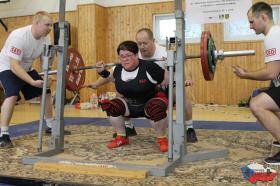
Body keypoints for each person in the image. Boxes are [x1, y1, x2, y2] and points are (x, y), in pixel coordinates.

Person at [0, 11, 70, 148]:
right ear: (36, 23)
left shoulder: (46, 39)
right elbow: (14, 66)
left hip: (26, 68)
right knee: (12, 95)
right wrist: (32, 82)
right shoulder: (19, 36)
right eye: (47, 25)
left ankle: (50, 126)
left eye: (51, 25)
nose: (50, 28)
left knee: (46, 91)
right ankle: (3, 134)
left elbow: (45, 61)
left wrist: (47, 75)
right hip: (7, 67)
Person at [97, 40, 170, 152]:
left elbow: (166, 80)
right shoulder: (118, 69)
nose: (124, 59)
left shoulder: (149, 67)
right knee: (110, 106)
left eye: (128, 56)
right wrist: (102, 72)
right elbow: (113, 79)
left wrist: (170, 65)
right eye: (121, 56)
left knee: (157, 107)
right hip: (129, 105)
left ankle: (162, 139)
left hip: (149, 103)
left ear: (136, 55)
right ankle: (122, 136)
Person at [232, 2, 280, 165]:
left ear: (264, 17)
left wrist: (246, 75)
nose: (250, 26)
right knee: (270, 98)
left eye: (252, 22)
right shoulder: (276, 32)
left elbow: (272, 72)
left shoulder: (273, 35)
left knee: (257, 104)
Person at [136, 28, 198, 143]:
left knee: (181, 96)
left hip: (169, 84)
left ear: (153, 41)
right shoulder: (136, 56)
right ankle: (128, 126)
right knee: (123, 92)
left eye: (145, 43)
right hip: (150, 87)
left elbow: (181, 65)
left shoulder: (164, 52)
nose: (142, 46)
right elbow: (116, 70)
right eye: (139, 43)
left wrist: (188, 78)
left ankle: (189, 128)